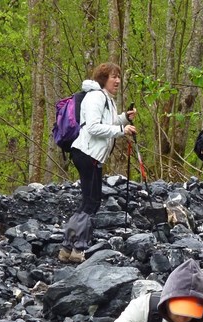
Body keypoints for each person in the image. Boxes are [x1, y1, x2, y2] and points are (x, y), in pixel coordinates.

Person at [58, 62, 137, 263]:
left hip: (92, 155)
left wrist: (124, 119)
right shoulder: (95, 97)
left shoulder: (106, 99)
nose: (118, 80)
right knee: (90, 202)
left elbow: (106, 123)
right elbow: (93, 127)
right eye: (113, 77)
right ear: (103, 79)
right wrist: (121, 132)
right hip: (86, 153)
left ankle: (68, 248)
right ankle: (77, 249)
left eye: (119, 76)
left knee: (90, 201)